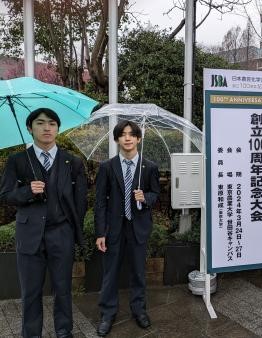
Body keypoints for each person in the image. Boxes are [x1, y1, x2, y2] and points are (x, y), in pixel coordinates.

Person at [0, 108, 87, 338]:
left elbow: (80, 202)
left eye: (52, 123)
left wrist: (72, 229)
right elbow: (6, 194)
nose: (47, 128)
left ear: (58, 128)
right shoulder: (17, 160)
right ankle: (31, 334)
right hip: (29, 235)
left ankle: (64, 331)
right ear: (30, 128)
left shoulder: (72, 161)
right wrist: (27, 191)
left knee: (63, 289)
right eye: (40, 123)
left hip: (62, 233)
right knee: (30, 292)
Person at [95, 120, 160, 336]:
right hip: (113, 229)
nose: (128, 138)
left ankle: (139, 309)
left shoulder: (149, 167)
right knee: (110, 273)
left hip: (138, 227)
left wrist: (145, 198)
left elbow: (156, 194)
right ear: (117, 139)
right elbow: (100, 202)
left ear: (139, 138)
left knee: (138, 272)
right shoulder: (107, 167)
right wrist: (100, 233)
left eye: (132, 134)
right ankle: (107, 313)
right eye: (122, 134)